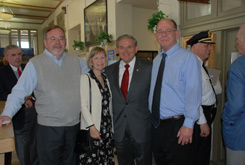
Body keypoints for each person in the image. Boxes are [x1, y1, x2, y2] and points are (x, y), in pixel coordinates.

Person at [0, 25, 89, 165]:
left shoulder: (77, 62)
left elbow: (93, 80)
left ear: (65, 41)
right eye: (52, 39)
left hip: (74, 126)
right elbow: (19, 91)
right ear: (45, 43)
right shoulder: (35, 64)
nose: (57, 42)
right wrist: (7, 114)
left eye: (61, 38)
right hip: (49, 129)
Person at [149, 18, 202, 165]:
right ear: (155, 35)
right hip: (156, 125)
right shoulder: (157, 60)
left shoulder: (188, 58)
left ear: (177, 33)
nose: (164, 34)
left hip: (178, 127)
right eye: (160, 31)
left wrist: (188, 124)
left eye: (168, 31)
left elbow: (193, 93)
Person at [105, 34, 152, 165]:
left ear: (136, 48)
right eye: (122, 47)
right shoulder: (108, 71)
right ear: (117, 50)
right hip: (119, 128)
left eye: (129, 47)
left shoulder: (149, 68)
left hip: (141, 128)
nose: (125, 51)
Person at [187, 31, 222, 165]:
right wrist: (202, 122)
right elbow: (192, 98)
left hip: (206, 113)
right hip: (198, 115)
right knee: (199, 153)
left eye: (210, 46)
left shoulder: (201, 65)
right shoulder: (193, 66)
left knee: (203, 151)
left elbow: (215, 89)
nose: (209, 49)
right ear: (194, 46)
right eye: (206, 45)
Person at [0, 45, 38, 165]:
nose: (17, 57)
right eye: (13, 55)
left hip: (35, 114)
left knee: (35, 144)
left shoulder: (29, 68)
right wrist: (22, 100)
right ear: (6, 57)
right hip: (18, 116)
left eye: (19, 54)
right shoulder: (2, 73)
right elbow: (2, 94)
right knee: (22, 146)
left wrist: (31, 98)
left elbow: (37, 89)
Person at [79, 47, 114, 164]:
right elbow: (83, 105)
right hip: (94, 128)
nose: (100, 61)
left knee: (105, 159)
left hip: (107, 128)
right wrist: (92, 127)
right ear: (91, 61)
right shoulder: (85, 78)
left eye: (102, 57)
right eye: (96, 58)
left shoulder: (106, 78)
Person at [222, 24, 245, 165]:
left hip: (240, 134)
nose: (236, 42)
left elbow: (236, 104)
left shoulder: (238, 66)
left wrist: (226, 119)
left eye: (237, 38)